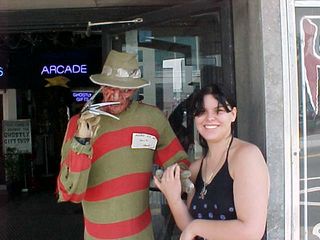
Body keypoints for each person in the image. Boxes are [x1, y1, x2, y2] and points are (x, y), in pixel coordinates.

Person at [56, 50, 190, 240]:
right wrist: (82, 141)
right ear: (101, 86)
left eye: (125, 89)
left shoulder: (152, 118)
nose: (116, 95)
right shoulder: (79, 124)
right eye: (111, 87)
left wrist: (177, 179)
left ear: (135, 90)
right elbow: (70, 193)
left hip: (141, 234)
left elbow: (178, 161)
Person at [154, 84, 270, 240]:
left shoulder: (246, 156)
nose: (209, 118)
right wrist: (173, 198)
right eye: (202, 112)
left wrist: (196, 227)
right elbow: (189, 226)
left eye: (219, 111)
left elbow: (251, 231)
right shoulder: (196, 168)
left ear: (233, 114)